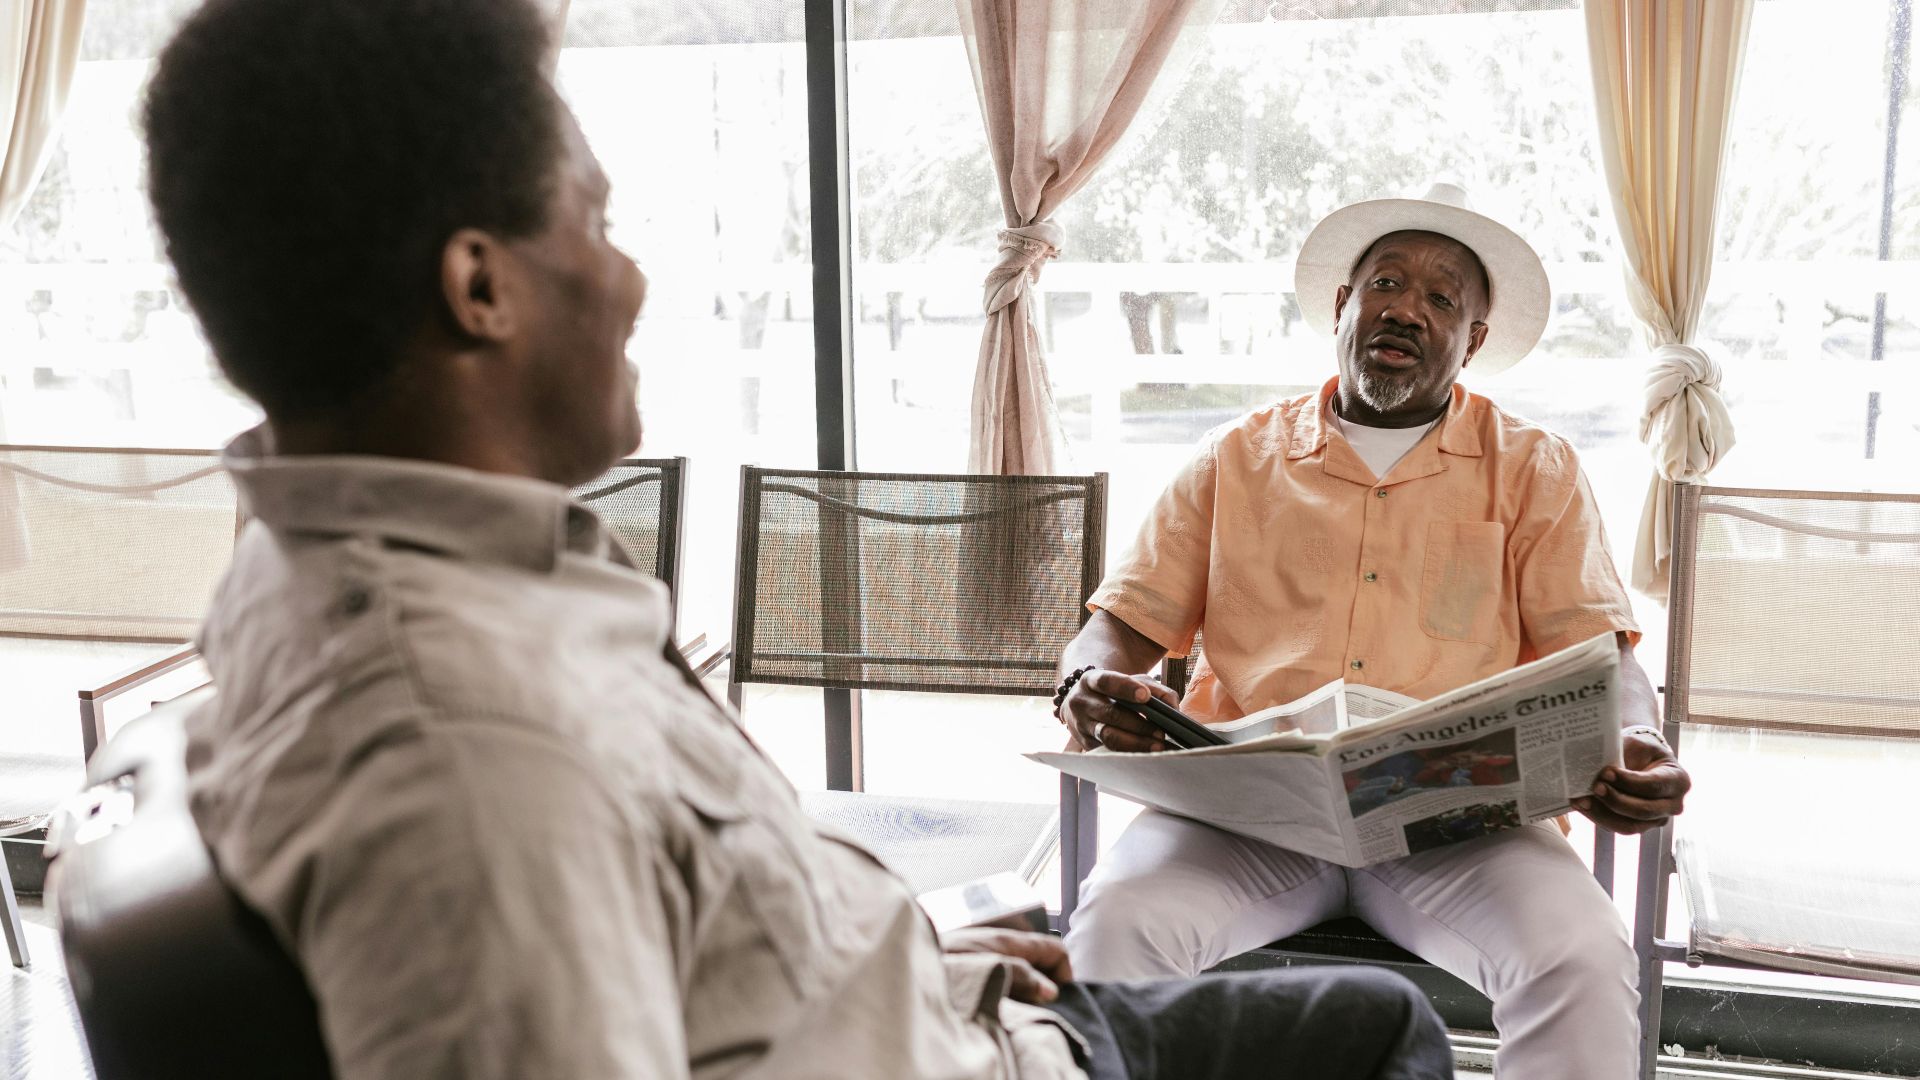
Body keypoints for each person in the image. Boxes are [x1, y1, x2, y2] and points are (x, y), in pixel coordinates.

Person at [143, 2, 1454, 1077]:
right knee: (1383, 1034)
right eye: (594, 222)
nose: (632, 279)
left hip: (928, 1013)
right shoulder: (470, 755)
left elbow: (686, 912)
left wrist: (899, 954)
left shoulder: (378, 581)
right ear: (481, 288)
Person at [1053, 184, 1693, 1078]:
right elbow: (1117, 627)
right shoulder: (1238, 457)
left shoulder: (1534, 470)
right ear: (1343, 306)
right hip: (1248, 814)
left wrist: (1638, 736)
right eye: (1385, 283)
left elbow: (1602, 655)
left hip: (1457, 822)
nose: (1405, 308)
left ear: (1470, 342)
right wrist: (1084, 685)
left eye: (1441, 298)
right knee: (1116, 931)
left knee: (1580, 955)